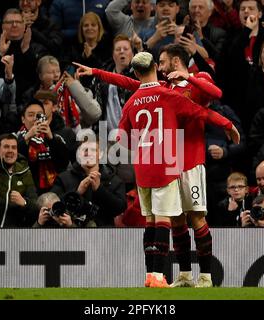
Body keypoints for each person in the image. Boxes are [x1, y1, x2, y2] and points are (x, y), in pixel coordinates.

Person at [75, 44, 236, 287]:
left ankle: (206, 276)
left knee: (197, 218)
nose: (159, 67)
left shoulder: (197, 79)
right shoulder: (164, 88)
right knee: (176, 221)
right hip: (169, 163)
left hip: (191, 161)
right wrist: (97, 72)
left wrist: (189, 77)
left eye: (162, 61)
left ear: (175, 61)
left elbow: (217, 93)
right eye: (156, 63)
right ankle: (184, 275)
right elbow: (132, 83)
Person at [50, 137, 127, 227]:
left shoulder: (114, 180)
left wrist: (99, 190)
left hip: (103, 234)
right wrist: (77, 193)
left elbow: (119, 209)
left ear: (101, 154)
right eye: (84, 150)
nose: (88, 153)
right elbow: (53, 206)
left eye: (93, 150)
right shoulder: (63, 178)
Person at [16, 99, 70, 195]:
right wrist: (27, 137)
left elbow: (63, 163)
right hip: (25, 190)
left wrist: (51, 139)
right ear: (23, 119)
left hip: (54, 190)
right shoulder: (15, 139)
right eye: (31, 115)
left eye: (39, 115)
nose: (35, 119)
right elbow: (15, 162)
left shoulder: (55, 138)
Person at [32, 192, 96, 228]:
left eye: (57, 205)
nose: (56, 210)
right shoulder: (43, 223)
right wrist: (39, 224)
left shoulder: (73, 212)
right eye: (50, 210)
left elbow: (86, 240)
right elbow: (30, 241)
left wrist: (71, 226)